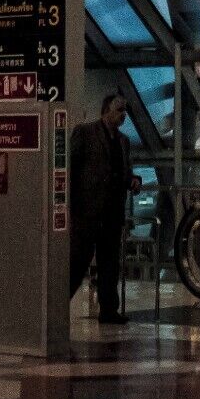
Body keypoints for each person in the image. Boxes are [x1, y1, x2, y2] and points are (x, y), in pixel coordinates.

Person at [68, 92, 135, 326]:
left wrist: (132, 181)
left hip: (112, 211)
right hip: (87, 210)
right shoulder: (85, 133)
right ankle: (58, 303)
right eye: (119, 110)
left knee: (109, 261)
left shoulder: (124, 142)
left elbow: (125, 173)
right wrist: (72, 202)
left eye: (124, 111)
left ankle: (108, 309)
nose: (123, 115)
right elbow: (70, 168)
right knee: (78, 259)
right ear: (106, 111)